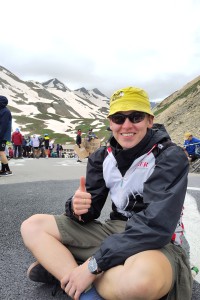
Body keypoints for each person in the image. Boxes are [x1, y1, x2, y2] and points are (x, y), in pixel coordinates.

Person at [21, 87, 192, 300]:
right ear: (111, 123)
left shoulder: (170, 156)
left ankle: (71, 271)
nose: (126, 125)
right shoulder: (102, 157)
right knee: (32, 226)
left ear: (150, 120)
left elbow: (156, 226)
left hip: (157, 241)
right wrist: (77, 209)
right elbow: (90, 211)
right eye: (119, 118)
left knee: (141, 283)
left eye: (136, 117)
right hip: (115, 230)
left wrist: (94, 265)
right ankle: (81, 284)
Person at [0, 96, 12, 176]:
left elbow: (3, 125)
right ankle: (4, 169)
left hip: (2, 135)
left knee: (1, 152)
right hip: (2, 134)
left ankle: (6, 170)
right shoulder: (2, 110)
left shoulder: (5, 111)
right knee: (1, 152)